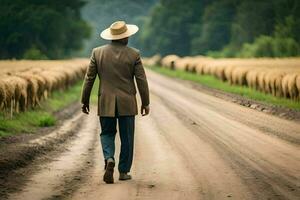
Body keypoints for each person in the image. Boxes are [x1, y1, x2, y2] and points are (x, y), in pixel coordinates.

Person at [81, 21, 150, 184]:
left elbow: (89, 78)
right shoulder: (134, 54)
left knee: (106, 133)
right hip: (127, 103)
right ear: (124, 37)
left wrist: (84, 100)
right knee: (127, 138)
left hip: (105, 101)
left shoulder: (97, 53)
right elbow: (141, 80)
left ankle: (109, 158)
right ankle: (123, 171)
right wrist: (145, 102)